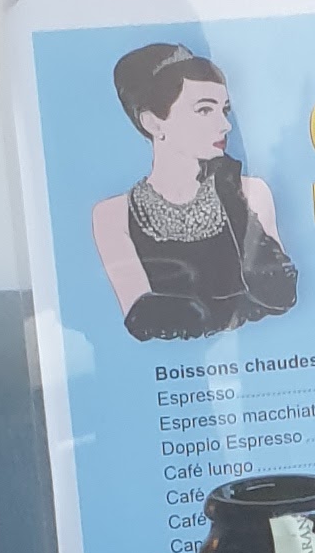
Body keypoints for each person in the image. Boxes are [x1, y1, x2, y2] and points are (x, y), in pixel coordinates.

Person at [91, 47, 298, 340]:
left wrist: (231, 196)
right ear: (153, 123)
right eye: (204, 110)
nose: (225, 125)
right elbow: (145, 319)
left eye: (224, 110)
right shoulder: (113, 216)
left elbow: (279, 295)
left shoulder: (251, 193)